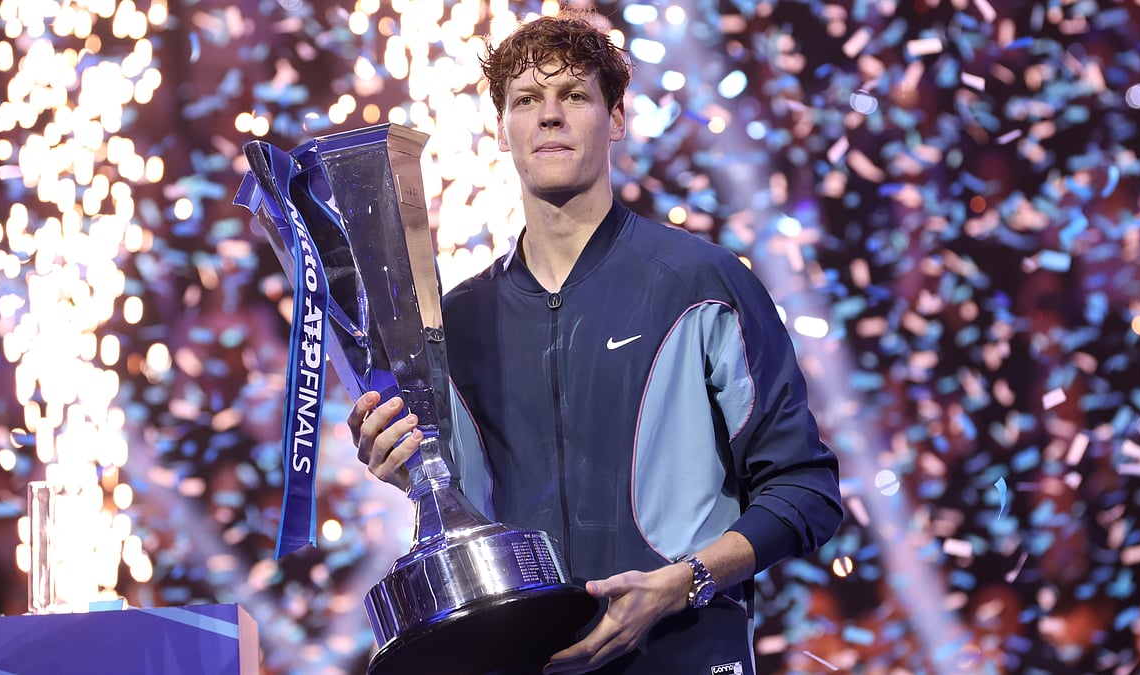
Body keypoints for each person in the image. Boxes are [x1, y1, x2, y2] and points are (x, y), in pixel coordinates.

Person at [349, 8, 843, 674]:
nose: (549, 116)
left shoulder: (702, 283)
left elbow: (805, 490)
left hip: (684, 657)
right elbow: (459, 508)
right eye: (526, 100)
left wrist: (685, 580)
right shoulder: (453, 324)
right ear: (502, 129)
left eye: (574, 95)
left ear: (615, 119)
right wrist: (410, 467)